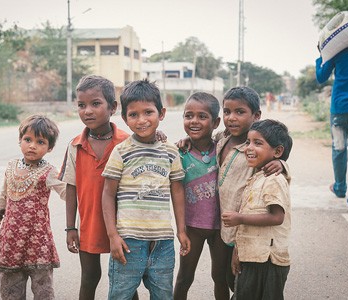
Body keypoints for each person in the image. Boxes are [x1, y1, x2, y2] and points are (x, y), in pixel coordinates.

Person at [102, 79, 191, 300]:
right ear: (125, 119)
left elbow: (177, 192)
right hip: (128, 242)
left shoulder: (170, 152)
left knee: (163, 296)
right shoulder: (121, 152)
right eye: (134, 115)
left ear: (161, 113)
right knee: (120, 295)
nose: (142, 120)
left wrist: (181, 231)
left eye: (148, 112)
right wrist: (113, 235)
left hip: (162, 243)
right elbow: (108, 194)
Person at [59, 75, 140, 300]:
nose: (88, 111)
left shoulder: (128, 142)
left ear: (112, 107)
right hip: (90, 223)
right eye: (82, 105)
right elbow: (71, 188)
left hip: (123, 224)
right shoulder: (75, 145)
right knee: (89, 277)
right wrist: (70, 228)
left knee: (125, 281)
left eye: (96, 104)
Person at [216, 87, 287, 293]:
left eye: (240, 112)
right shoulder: (222, 139)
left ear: (256, 116)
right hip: (224, 226)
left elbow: (280, 151)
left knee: (242, 278)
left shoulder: (257, 151)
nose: (231, 118)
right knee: (225, 275)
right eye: (227, 111)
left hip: (245, 225)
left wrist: (282, 164)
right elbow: (201, 140)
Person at [0, 114, 66, 300]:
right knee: (10, 288)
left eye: (40, 142)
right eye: (27, 139)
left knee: (43, 289)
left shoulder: (49, 172)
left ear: (49, 148)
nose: (32, 145)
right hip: (11, 238)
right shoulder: (11, 166)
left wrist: (78, 182)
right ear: (20, 140)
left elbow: (66, 193)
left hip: (38, 240)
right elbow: (4, 196)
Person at [173, 92, 230, 300]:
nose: (194, 121)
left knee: (220, 277)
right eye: (189, 116)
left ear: (215, 122)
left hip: (221, 227)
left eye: (202, 116)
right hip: (193, 228)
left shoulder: (224, 148)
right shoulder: (179, 152)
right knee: (184, 278)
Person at [316, 41, 348, 212]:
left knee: (339, 148)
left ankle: (340, 188)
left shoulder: (339, 49)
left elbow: (321, 77)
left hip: (339, 108)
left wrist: (321, 56)